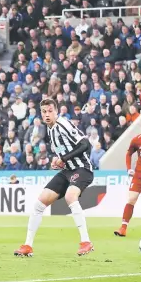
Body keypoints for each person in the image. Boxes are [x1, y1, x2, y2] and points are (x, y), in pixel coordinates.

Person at [15, 98, 94, 257]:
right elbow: (63, 152)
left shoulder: (63, 124)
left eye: (50, 111)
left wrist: (63, 159)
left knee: (71, 197)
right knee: (39, 204)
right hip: (67, 171)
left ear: (56, 111)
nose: (47, 114)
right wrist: (57, 161)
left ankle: (86, 242)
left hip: (82, 168)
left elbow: (86, 145)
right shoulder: (50, 130)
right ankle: (28, 246)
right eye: (44, 112)